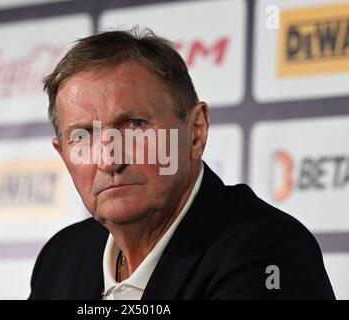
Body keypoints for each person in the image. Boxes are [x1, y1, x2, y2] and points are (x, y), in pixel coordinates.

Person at [29, 29, 335, 300]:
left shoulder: (270, 253)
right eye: (83, 136)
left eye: (135, 125)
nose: (110, 160)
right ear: (63, 154)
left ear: (196, 131)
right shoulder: (61, 258)